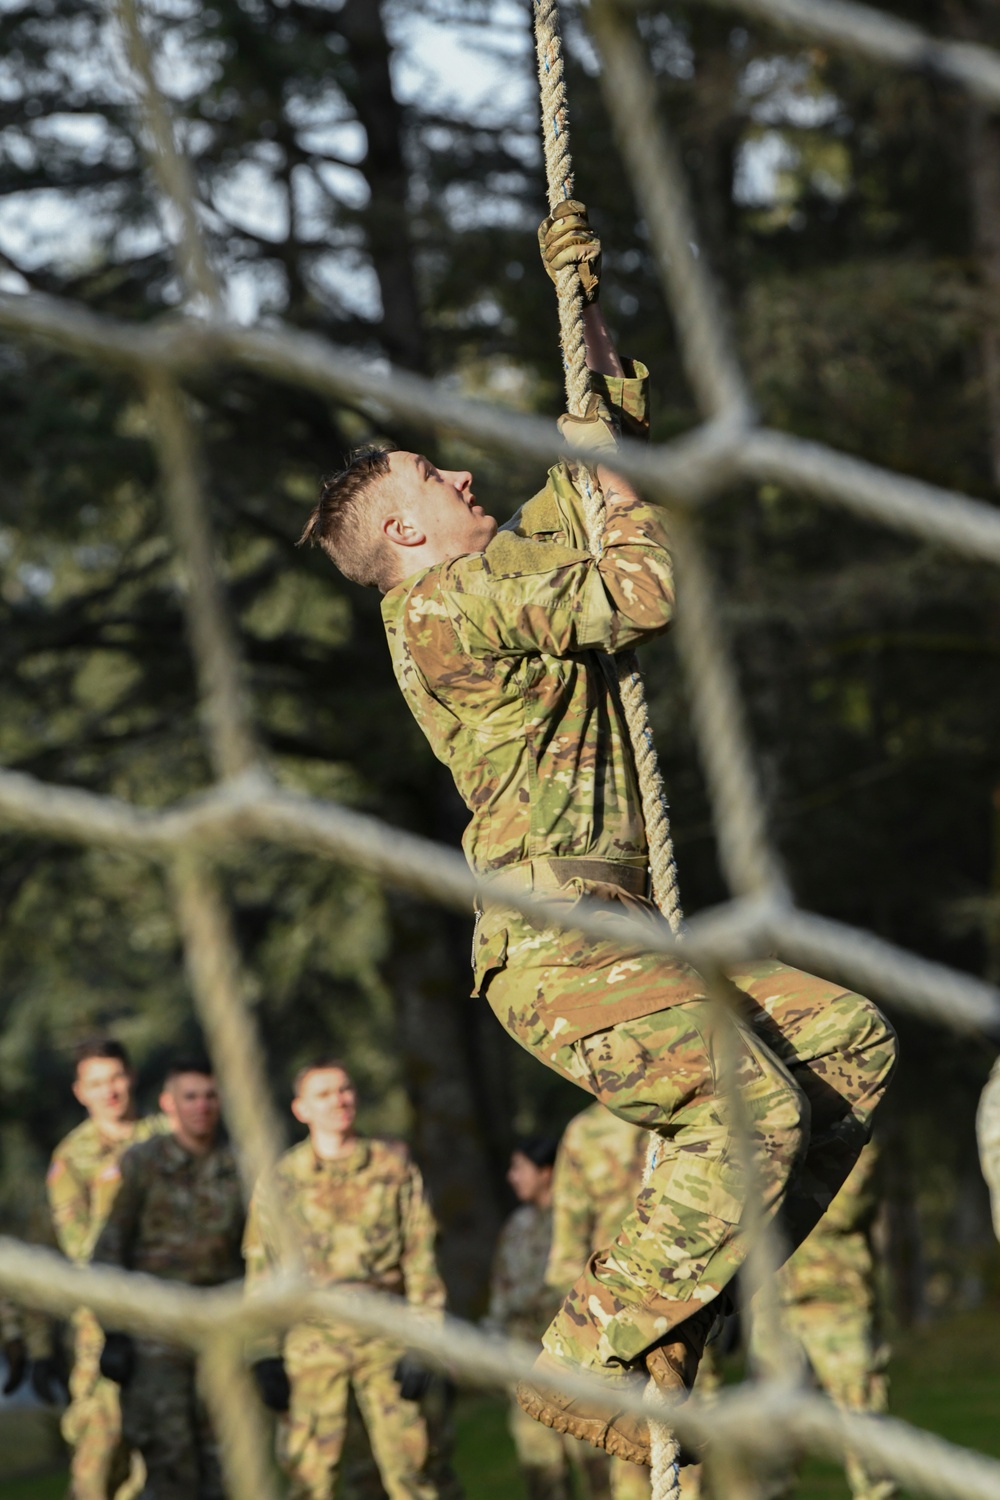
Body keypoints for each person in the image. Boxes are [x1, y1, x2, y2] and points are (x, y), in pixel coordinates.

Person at [298, 199, 898, 1462]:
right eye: (434, 479)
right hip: (558, 939)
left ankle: (676, 1328)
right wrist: (598, 456)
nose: (465, 476)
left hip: (619, 925)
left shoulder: (499, 577)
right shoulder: (443, 607)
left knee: (845, 1044)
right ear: (403, 532)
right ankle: (585, 1350)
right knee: (752, 1104)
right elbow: (638, 583)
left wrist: (586, 307)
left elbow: (594, 470)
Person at [243, 1059, 447, 1500]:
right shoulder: (281, 1181)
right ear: (301, 1110)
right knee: (308, 1478)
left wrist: (425, 1340)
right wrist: (263, 1353)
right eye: (324, 1094)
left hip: (386, 1332)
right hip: (311, 1340)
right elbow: (262, 1270)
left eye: (344, 1090)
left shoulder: (393, 1169)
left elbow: (421, 1259)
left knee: (413, 1470)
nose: (339, 1101)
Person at [91, 1059, 244, 1500]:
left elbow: (256, 1257)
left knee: (227, 1469)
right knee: (170, 1468)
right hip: (155, 1343)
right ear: (168, 1104)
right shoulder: (143, 1164)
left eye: (210, 1096)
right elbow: (109, 1249)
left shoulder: (240, 1168)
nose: (201, 1106)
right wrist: (115, 1332)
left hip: (220, 1338)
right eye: (190, 1096)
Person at [46, 1038, 167, 1500]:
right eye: (97, 1083)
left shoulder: (167, 1136)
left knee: (164, 1460)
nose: (110, 1091)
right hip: (106, 1325)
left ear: (131, 1077)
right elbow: (82, 1249)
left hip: (170, 1319)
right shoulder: (71, 1159)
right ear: (81, 1092)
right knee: (99, 1458)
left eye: (115, 1077)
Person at [747, 1141, 895, 1500]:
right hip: (775, 1307)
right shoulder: (766, 1121)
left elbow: (843, 1206)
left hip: (837, 1306)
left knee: (867, 1441)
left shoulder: (855, 1132)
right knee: (767, 1452)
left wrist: (781, 1185)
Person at [487, 1136, 609, 1500]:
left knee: (598, 1467)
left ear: (546, 1172)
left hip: (580, 1361)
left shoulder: (579, 1219)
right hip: (527, 1366)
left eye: (519, 1167)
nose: (512, 1177)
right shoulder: (516, 1227)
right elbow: (501, 1293)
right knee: (542, 1471)